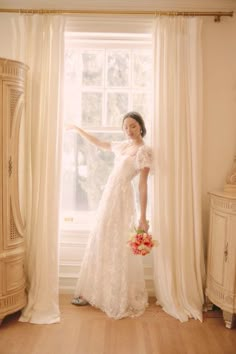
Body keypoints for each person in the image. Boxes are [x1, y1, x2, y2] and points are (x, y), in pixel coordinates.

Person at [66, 111, 153, 319]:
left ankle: (116, 296)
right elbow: (99, 142)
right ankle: (95, 291)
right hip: (109, 196)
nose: (129, 130)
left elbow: (142, 186)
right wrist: (79, 130)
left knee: (118, 243)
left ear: (140, 126)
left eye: (132, 126)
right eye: (125, 127)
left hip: (123, 200)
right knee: (102, 239)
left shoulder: (144, 151)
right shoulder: (124, 146)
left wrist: (143, 216)